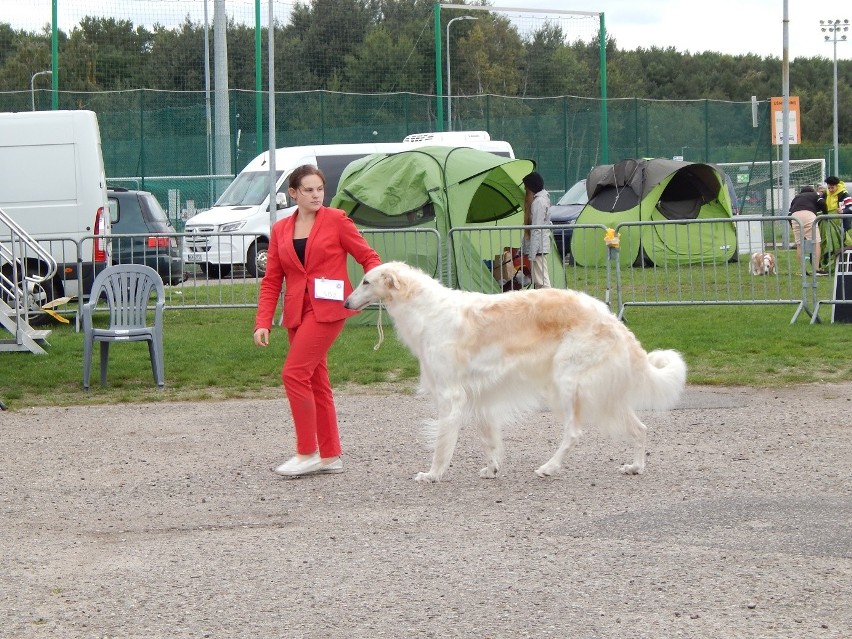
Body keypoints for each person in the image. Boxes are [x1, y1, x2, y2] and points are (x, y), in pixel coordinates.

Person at [254, 164, 381, 477]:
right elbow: (272, 280)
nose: (315, 195)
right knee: (315, 381)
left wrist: (369, 291)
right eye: (308, 190)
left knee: (293, 374)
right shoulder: (281, 229)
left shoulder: (337, 220)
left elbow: (368, 257)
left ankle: (307, 451)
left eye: (319, 189)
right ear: (293, 193)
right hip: (297, 311)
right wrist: (263, 322)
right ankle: (329, 454)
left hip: (329, 309)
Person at [522, 171, 552, 288]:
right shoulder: (542, 200)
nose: (525, 191)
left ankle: (551, 304)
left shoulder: (538, 202)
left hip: (538, 248)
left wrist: (532, 252)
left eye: (526, 188)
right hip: (538, 247)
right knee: (540, 281)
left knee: (542, 282)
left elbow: (536, 229)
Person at [788, 185, 827, 275]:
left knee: (800, 244)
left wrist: (793, 226)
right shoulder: (815, 194)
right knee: (816, 242)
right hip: (809, 215)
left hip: (795, 216)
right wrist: (826, 214)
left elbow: (789, 214)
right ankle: (816, 269)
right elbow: (822, 203)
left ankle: (803, 270)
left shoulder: (796, 198)